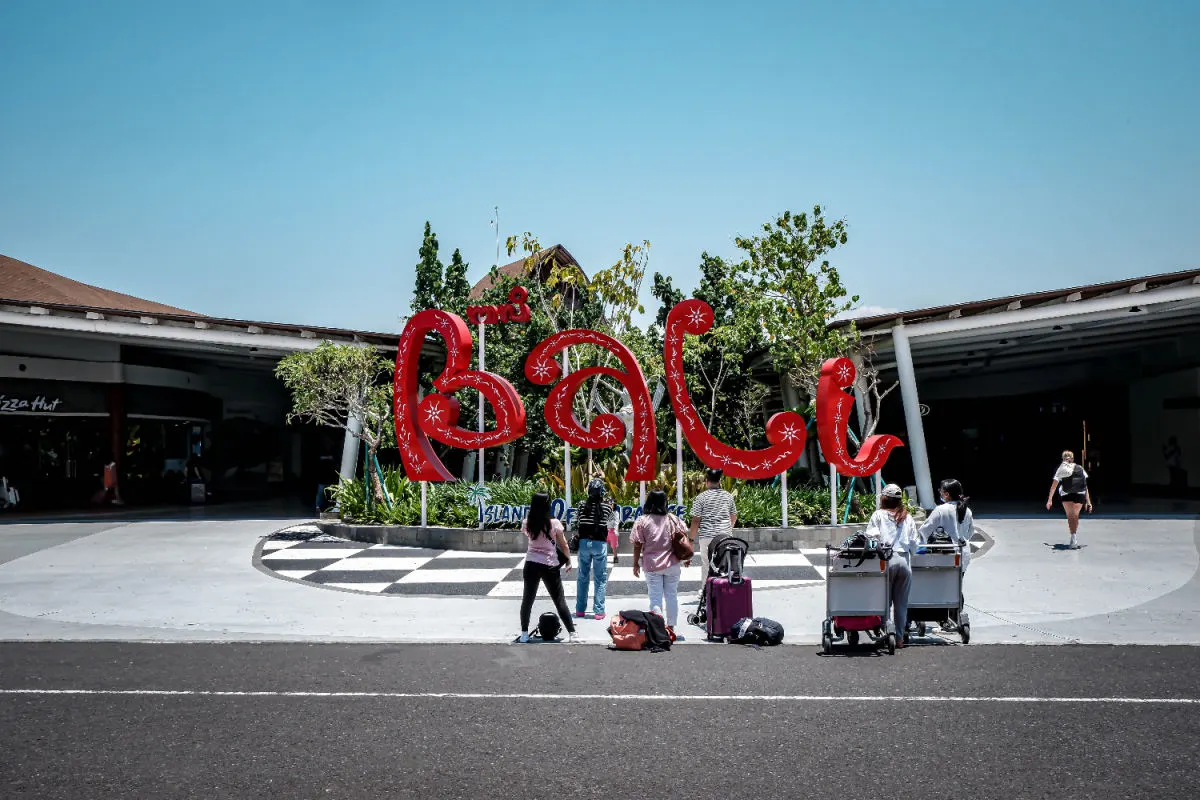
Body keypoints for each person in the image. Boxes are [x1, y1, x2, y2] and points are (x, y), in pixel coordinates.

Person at [519, 492, 578, 643]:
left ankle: (524, 634)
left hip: (531, 562)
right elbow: (564, 544)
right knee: (559, 600)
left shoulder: (527, 522)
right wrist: (569, 561)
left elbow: (530, 536)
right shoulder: (555, 523)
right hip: (549, 564)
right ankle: (572, 633)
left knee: (527, 600)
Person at [866, 484, 919, 647]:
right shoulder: (906, 516)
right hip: (904, 561)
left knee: (885, 602)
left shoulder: (878, 515)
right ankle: (899, 637)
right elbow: (914, 543)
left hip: (886, 561)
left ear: (883, 498)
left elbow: (871, 538)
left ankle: (885, 631)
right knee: (901, 603)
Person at [919, 478, 974, 630]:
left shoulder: (941, 510)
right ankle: (954, 615)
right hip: (963, 554)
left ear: (947, 494)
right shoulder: (967, 510)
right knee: (955, 584)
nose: (940, 494)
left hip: (943, 555)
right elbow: (970, 532)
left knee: (938, 585)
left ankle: (942, 617)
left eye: (941, 491)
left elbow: (924, 531)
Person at [631, 489, 687, 634]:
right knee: (671, 595)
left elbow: (637, 544)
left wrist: (635, 563)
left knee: (655, 598)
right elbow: (683, 538)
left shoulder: (642, 521)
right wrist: (688, 557)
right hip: (673, 564)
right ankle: (672, 627)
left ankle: (658, 629)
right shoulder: (673, 519)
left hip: (652, 565)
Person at [688, 468, 737, 601]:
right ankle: (725, 590)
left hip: (707, 537)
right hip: (725, 536)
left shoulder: (701, 497)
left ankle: (706, 591)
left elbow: (696, 520)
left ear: (706, 482)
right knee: (725, 564)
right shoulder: (728, 496)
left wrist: (691, 539)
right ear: (720, 481)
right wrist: (728, 530)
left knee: (707, 564)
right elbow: (733, 516)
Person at [573, 478, 617, 620]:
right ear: (602, 492)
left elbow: (576, 521)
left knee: (582, 577)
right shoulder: (606, 507)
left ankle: (580, 610)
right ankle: (599, 611)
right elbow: (610, 523)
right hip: (599, 544)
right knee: (600, 578)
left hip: (584, 543)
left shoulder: (581, 505)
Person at [1046, 450, 1092, 549]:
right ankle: (1074, 536)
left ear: (1063, 459)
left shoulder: (1061, 469)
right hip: (1079, 494)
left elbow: (1054, 486)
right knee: (1075, 515)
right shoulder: (1080, 468)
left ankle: (1073, 537)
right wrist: (1089, 502)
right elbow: (1085, 486)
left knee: (1070, 516)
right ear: (1073, 459)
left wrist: (1050, 500)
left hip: (1066, 494)